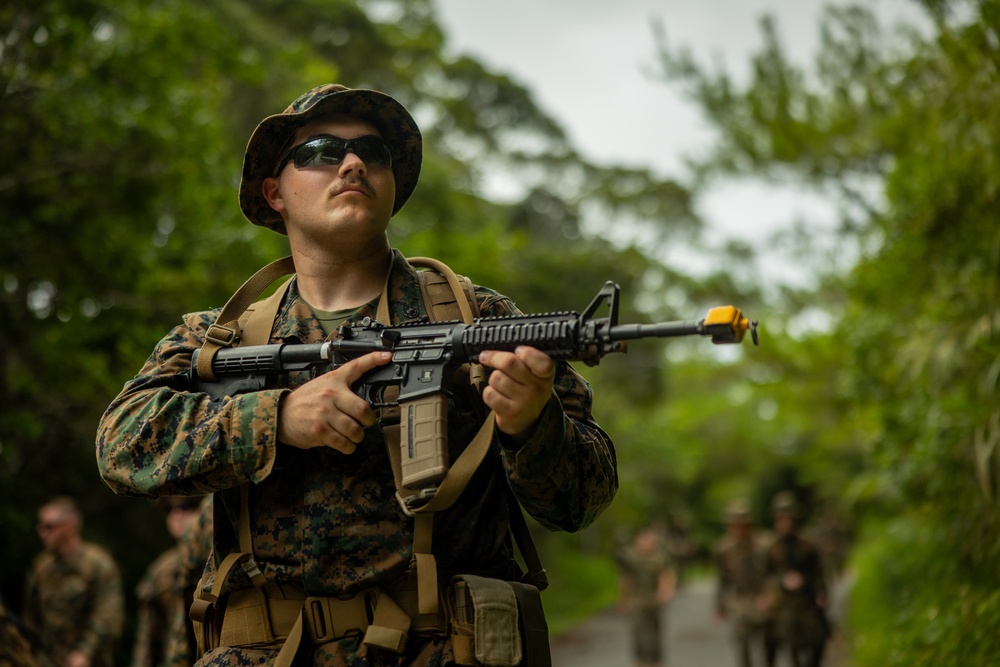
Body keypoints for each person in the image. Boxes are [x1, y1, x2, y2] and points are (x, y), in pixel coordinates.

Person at [96, 83, 618, 666]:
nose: (352, 164)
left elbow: (581, 502)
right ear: (275, 192)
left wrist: (533, 425)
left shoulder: (478, 318)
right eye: (320, 150)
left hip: (442, 650)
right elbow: (120, 447)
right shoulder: (220, 337)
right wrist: (276, 418)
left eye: (373, 152)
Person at [22, 496, 124, 667]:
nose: (42, 533)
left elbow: (108, 615)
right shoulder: (42, 568)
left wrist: (85, 653)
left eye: (49, 527)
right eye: (41, 527)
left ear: (69, 526)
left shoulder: (97, 564)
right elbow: (31, 619)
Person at [132, 496, 204, 667]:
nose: (176, 514)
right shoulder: (160, 571)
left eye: (187, 506)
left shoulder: (220, 561)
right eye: (169, 509)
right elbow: (148, 640)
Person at [760, 492, 829, 667]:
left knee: (820, 636)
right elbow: (765, 574)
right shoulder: (769, 546)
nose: (784, 522)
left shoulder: (807, 543)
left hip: (805, 598)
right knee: (772, 638)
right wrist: (780, 582)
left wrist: (821, 592)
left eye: (788, 518)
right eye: (781, 518)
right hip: (781, 602)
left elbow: (818, 570)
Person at [713, 499, 766, 667]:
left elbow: (772, 574)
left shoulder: (762, 545)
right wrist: (719, 607)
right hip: (739, 599)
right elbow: (722, 580)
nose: (737, 528)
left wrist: (769, 596)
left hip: (762, 597)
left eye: (741, 523)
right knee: (741, 640)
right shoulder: (723, 549)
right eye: (733, 524)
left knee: (766, 641)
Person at [617, 526, 676, 667]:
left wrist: (665, 592)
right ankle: (641, 661)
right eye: (643, 540)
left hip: (654, 598)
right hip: (638, 598)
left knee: (655, 631)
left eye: (648, 540)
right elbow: (627, 579)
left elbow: (666, 575)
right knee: (637, 631)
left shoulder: (659, 557)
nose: (646, 543)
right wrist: (624, 599)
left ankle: (656, 660)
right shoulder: (631, 557)